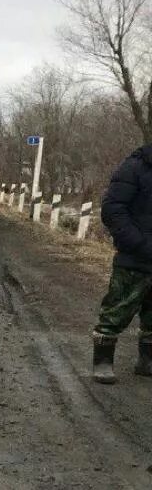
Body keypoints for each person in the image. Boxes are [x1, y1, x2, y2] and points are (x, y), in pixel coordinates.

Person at [91, 143, 152, 383]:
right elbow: (113, 209)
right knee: (117, 311)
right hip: (134, 258)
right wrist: (138, 243)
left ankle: (146, 360)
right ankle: (103, 361)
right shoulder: (135, 167)